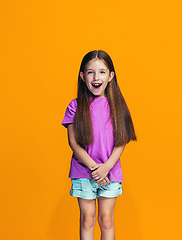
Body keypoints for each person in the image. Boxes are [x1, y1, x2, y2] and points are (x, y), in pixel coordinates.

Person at [62, 50, 137, 240]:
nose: (96, 77)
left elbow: (122, 140)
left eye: (102, 72)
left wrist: (106, 168)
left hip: (109, 171)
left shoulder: (118, 105)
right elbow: (73, 142)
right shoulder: (75, 105)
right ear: (82, 76)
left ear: (111, 76)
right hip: (84, 171)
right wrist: (95, 168)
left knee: (106, 220)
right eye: (90, 72)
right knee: (87, 219)